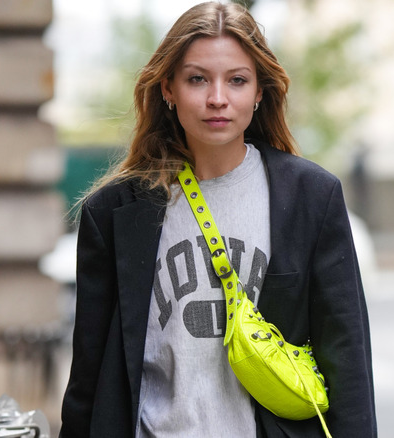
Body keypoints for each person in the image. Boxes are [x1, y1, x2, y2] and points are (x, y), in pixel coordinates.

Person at [59, 2, 376, 437]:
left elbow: (348, 364)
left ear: (260, 92)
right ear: (168, 89)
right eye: (197, 79)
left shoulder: (310, 199)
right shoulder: (114, 213)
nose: (217, 98)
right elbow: (89, 379)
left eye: (237, 80)